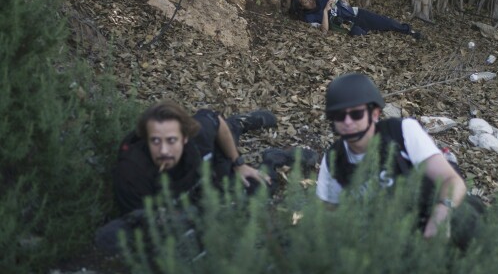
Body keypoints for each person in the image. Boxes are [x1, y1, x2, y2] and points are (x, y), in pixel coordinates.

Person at [95, 101, 277, 253]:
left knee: (257, 184)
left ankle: (243, 127)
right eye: (155, 141)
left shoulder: (198, 135)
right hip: (184, 205)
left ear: (185, 138)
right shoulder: (131, 174)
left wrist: (239, 164)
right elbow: (140, 228)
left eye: (171, 140)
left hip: (207, 169)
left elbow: (215, 120)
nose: (164, 150)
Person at [316, 73, 467, 239]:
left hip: (430, 221)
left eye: (356, 114)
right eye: (339, 116)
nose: (347, 122)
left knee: (465, 222)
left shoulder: (402, 132)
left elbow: (452, 180)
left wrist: (442, 212)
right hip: (385, 244)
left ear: (374, 114)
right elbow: (330, 214)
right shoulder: (334, 161)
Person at [289, 0, 421, 39]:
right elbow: (323, 31)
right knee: (361, 34)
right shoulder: (309, 17)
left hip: (355, 13)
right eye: (306, 2)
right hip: (345, 26)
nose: (311, 1)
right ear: (301, 6)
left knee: (386, 22)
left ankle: (409, 31)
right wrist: (325, 11)